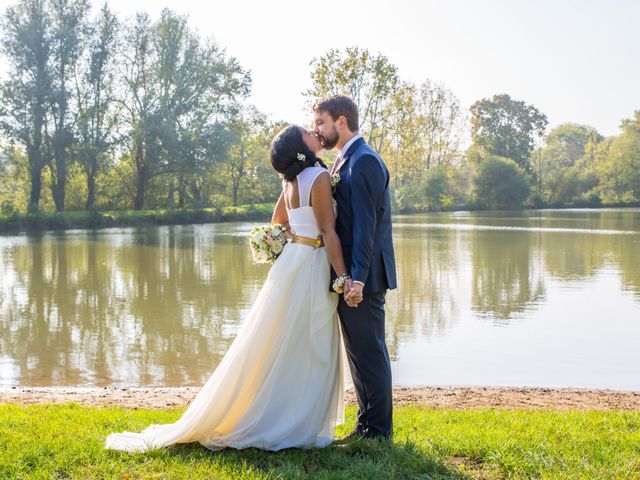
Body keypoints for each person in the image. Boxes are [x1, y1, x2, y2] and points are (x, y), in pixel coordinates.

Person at [105, 125, 349, 452]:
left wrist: (295, 241)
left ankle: (286, 412)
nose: (311, 131)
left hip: (293, 261)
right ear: (301, 147)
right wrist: (343, 276)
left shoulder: (291, 182)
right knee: (309, 340)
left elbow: (277, 222)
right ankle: (296, 421)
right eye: (306, 131)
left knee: (282, 340)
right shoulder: (317, 178)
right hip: (311, 263)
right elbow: (329, 231)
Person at [313, 94, 397, 441]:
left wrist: (357, 279)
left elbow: (366, 228)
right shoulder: (345, 161)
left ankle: (378, 433)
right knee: (359, 355)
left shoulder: (363, 162)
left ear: (341, 122)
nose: (317, 129)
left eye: (321, 122)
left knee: (370, 353)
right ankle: (366, 426)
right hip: (352, 277)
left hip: (366, 277)